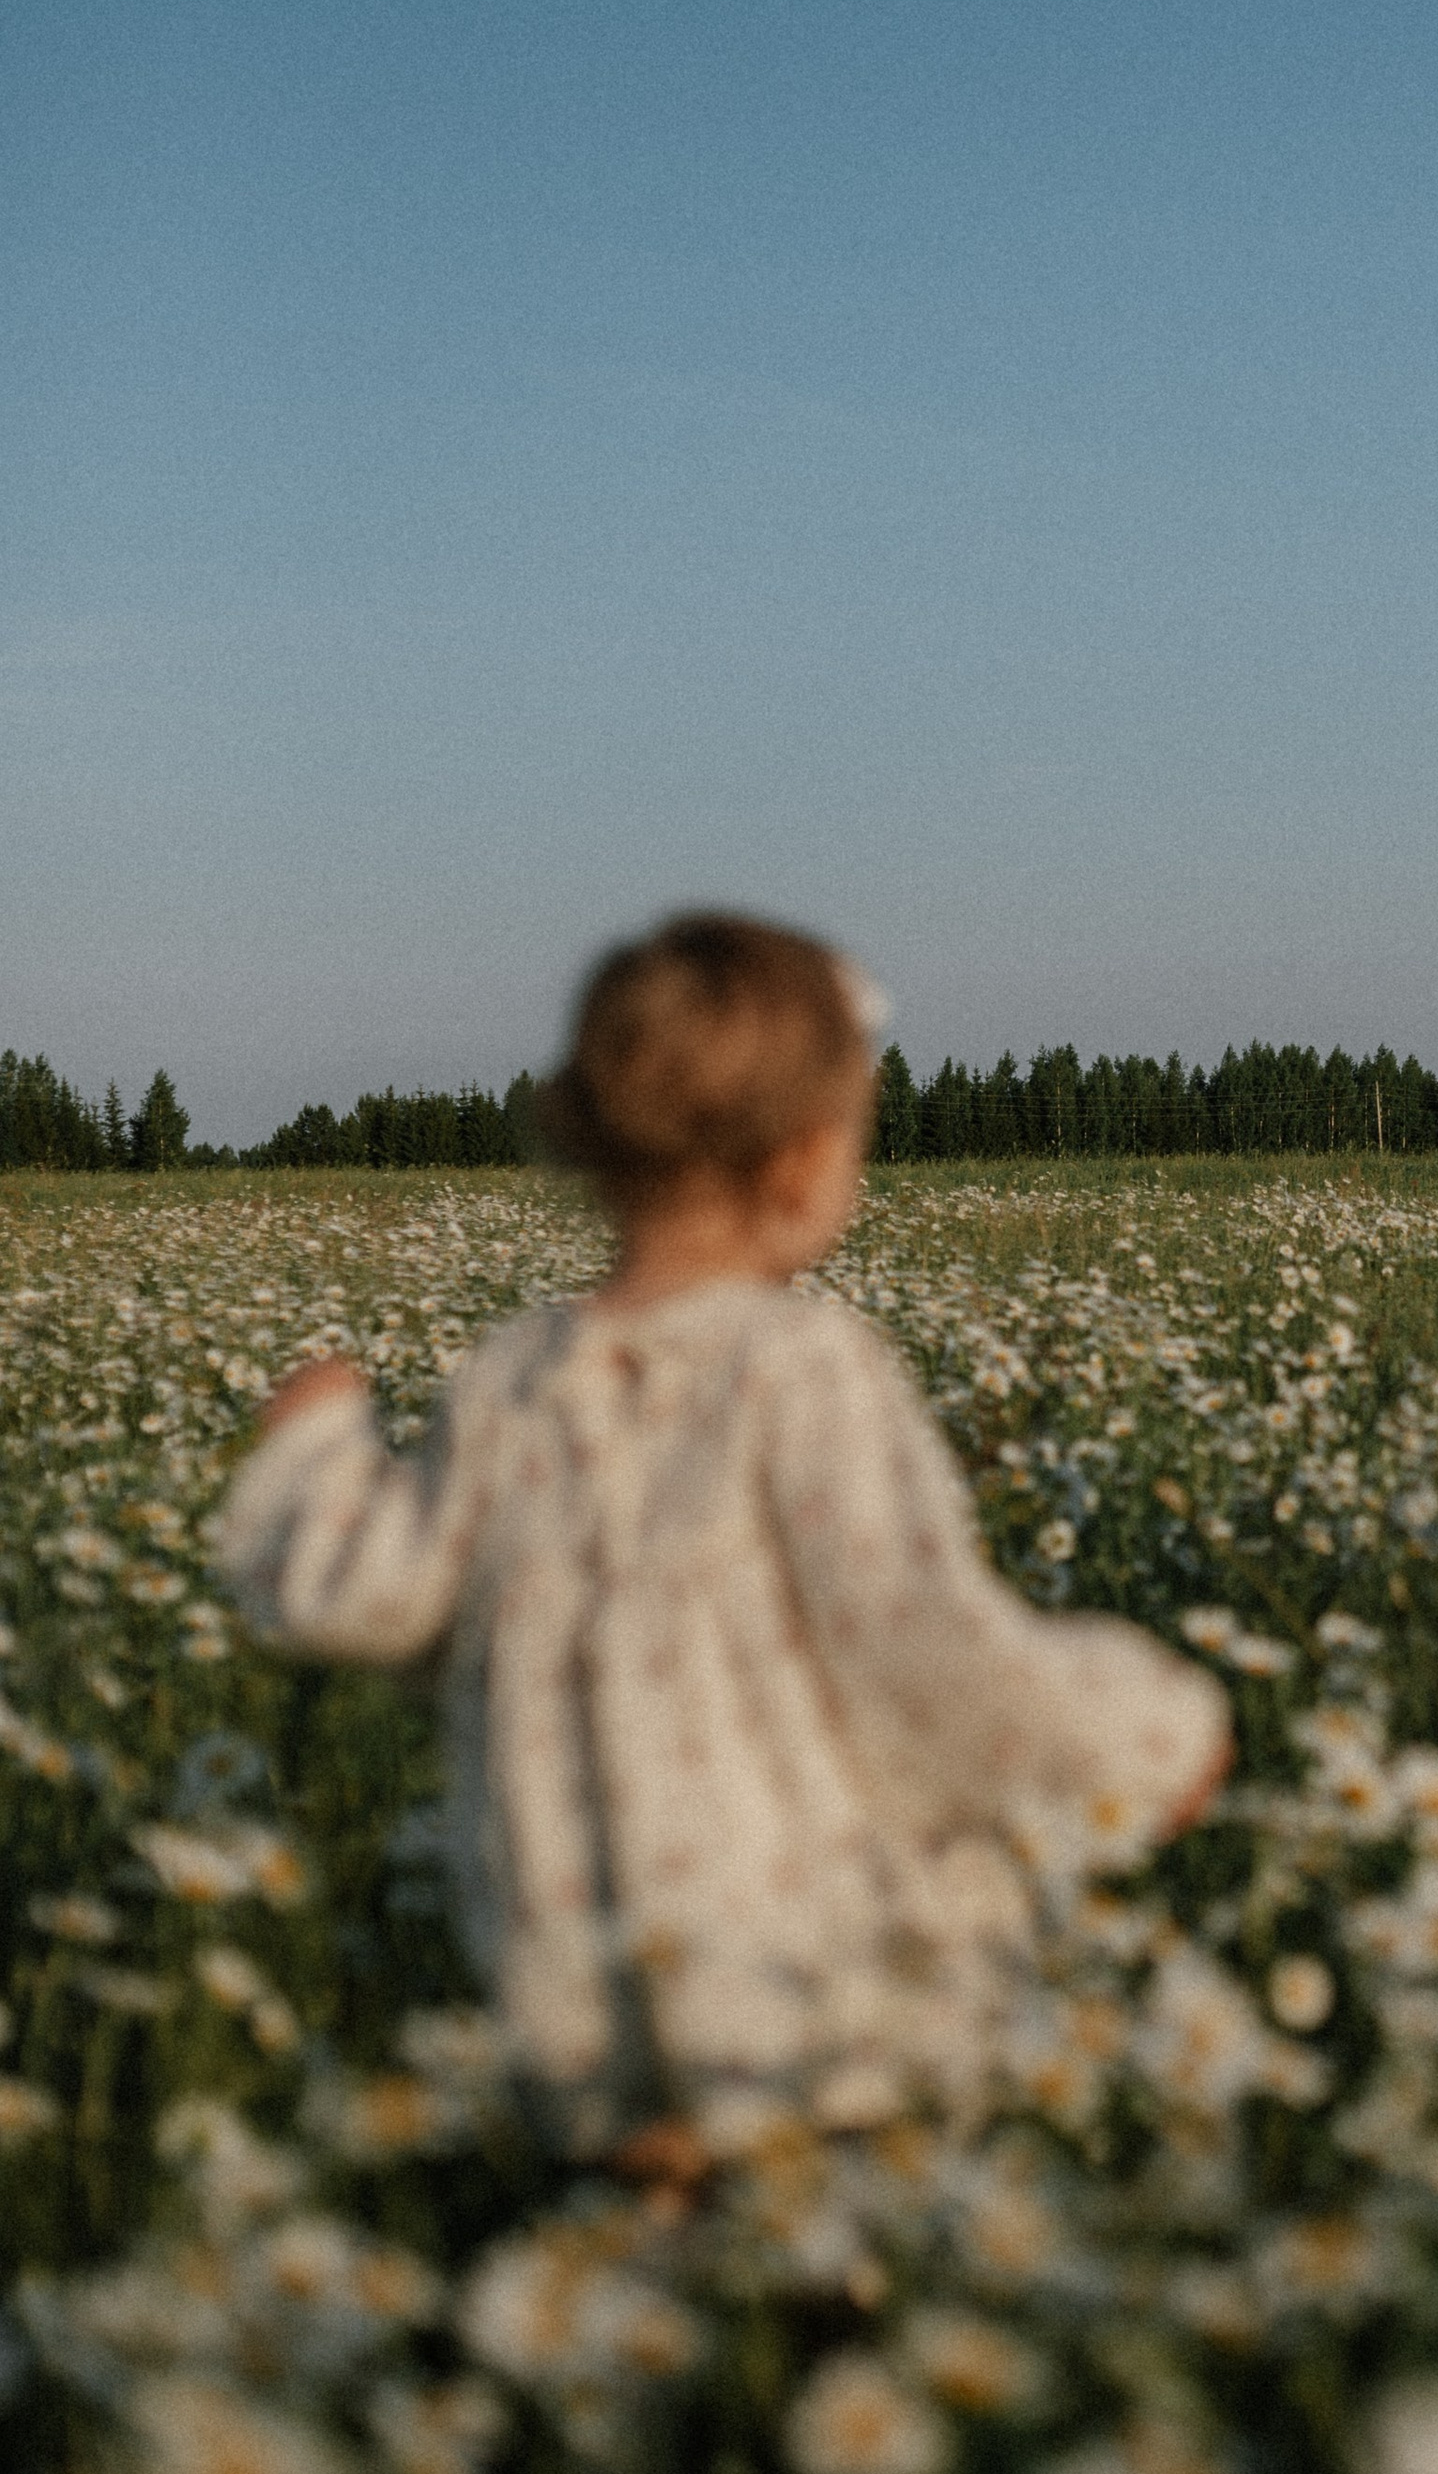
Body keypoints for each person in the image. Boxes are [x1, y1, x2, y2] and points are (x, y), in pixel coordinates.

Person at [217, 912, 1230, 2137]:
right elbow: (917, 1645)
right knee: (826, 2288)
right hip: (815, 1992)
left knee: (663, 2284)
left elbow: (368, 1593)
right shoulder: (802, 1367)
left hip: (579, 1995)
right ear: (806, 1160)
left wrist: (316, 1447)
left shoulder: (512, 1378)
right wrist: (1145, 1740)